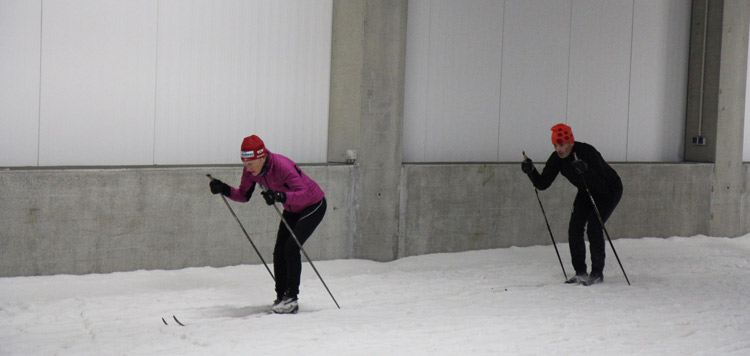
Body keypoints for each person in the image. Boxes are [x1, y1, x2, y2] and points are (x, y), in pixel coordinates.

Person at [209, 135, 326, 313]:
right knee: (279, 251)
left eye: (251, 163)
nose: (247, 168)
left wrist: (280, 196)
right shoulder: (251, 171)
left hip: (313, 205)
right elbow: (243, 195)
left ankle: (291, 299)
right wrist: (223, 188)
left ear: (262, 157)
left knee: (291, 248)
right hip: (292, 208)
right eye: (245, 163)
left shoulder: (282, 166)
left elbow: (305, 194)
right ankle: (281, 297)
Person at [521, 123, 622, 285]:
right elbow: (542, 183)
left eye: (561, 145)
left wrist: (586, 170)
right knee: (575, 228)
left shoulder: (587, 151)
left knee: (594, 226)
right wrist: (530, 170)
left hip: (609, 191)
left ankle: (597, 273)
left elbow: (603, 185)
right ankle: (580, 272)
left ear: (570, 142)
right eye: (555, 145)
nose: (558, 149)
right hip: (586, 190)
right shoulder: (557, 159)